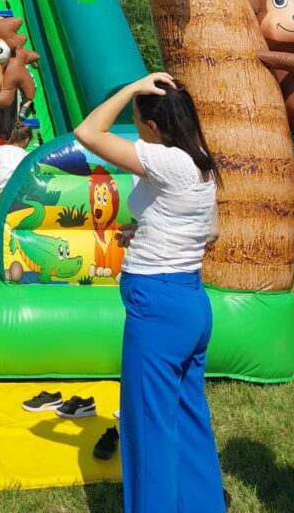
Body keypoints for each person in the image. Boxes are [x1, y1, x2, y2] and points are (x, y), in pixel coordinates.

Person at [74, 72, 225, 513]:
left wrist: (131, 88)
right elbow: (210, 231)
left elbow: (88, 132)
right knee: (188, 418)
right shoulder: (198, 161)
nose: (135, 129)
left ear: (154, 126)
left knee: (148, 429)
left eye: (137, 121)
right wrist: (149, 230)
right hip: (189, 302)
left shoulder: (166, 160)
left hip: (158, 308)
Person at [0, 121, 33, 198]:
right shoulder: (27, 155)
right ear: (27, 140)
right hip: (19, 192)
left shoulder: (2, 149)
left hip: (4, 192)